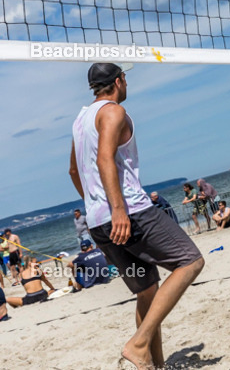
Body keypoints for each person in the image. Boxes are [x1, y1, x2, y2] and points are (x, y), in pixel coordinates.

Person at [69, 62, 204, 370]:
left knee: (147, 291)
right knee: (190, 261)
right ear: (119, 81)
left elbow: (74, 170)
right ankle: (138, 344)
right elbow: (105, 158)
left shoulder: (80, 120)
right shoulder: (114, 112)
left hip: (98, 221)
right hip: (129, 211)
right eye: (126, 79)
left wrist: (97, 205)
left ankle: (155, 365)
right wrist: (117, 209)